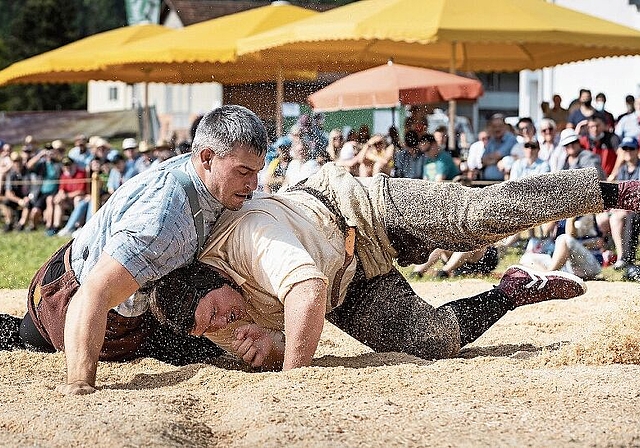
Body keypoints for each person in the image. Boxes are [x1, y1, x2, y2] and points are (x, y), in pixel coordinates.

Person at [152, 161, 640, 371]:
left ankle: (609, 192)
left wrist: (292, 370)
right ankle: (513, 289)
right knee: (433, 342)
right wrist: (271, 347)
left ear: (213, 278)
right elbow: (279, 331)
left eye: (216, 310)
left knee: (479, 217)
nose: (220, 324)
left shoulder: (247, 240)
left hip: (361, 209)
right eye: (209, 328)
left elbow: (305, 292)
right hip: (349, 285)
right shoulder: (205, 318)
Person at [18, 105, 267, 395]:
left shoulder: (202, 177)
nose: (253, 184)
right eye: (243, 171)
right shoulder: (162, 221)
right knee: (26, 336)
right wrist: (80, 382)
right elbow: (93, 293)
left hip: (111, 290)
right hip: (67, 299)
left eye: (257, 171)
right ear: (207, 158)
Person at [481, 114, 518, 181]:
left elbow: (498, 155)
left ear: (505, 127)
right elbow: (483, 160)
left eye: (500, 126)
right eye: (494, 126)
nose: (497, 129)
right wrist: (497, 161)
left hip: (504, 182)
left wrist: (495, 159)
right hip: (488, 182)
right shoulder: (491, 140)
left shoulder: (510, 139)